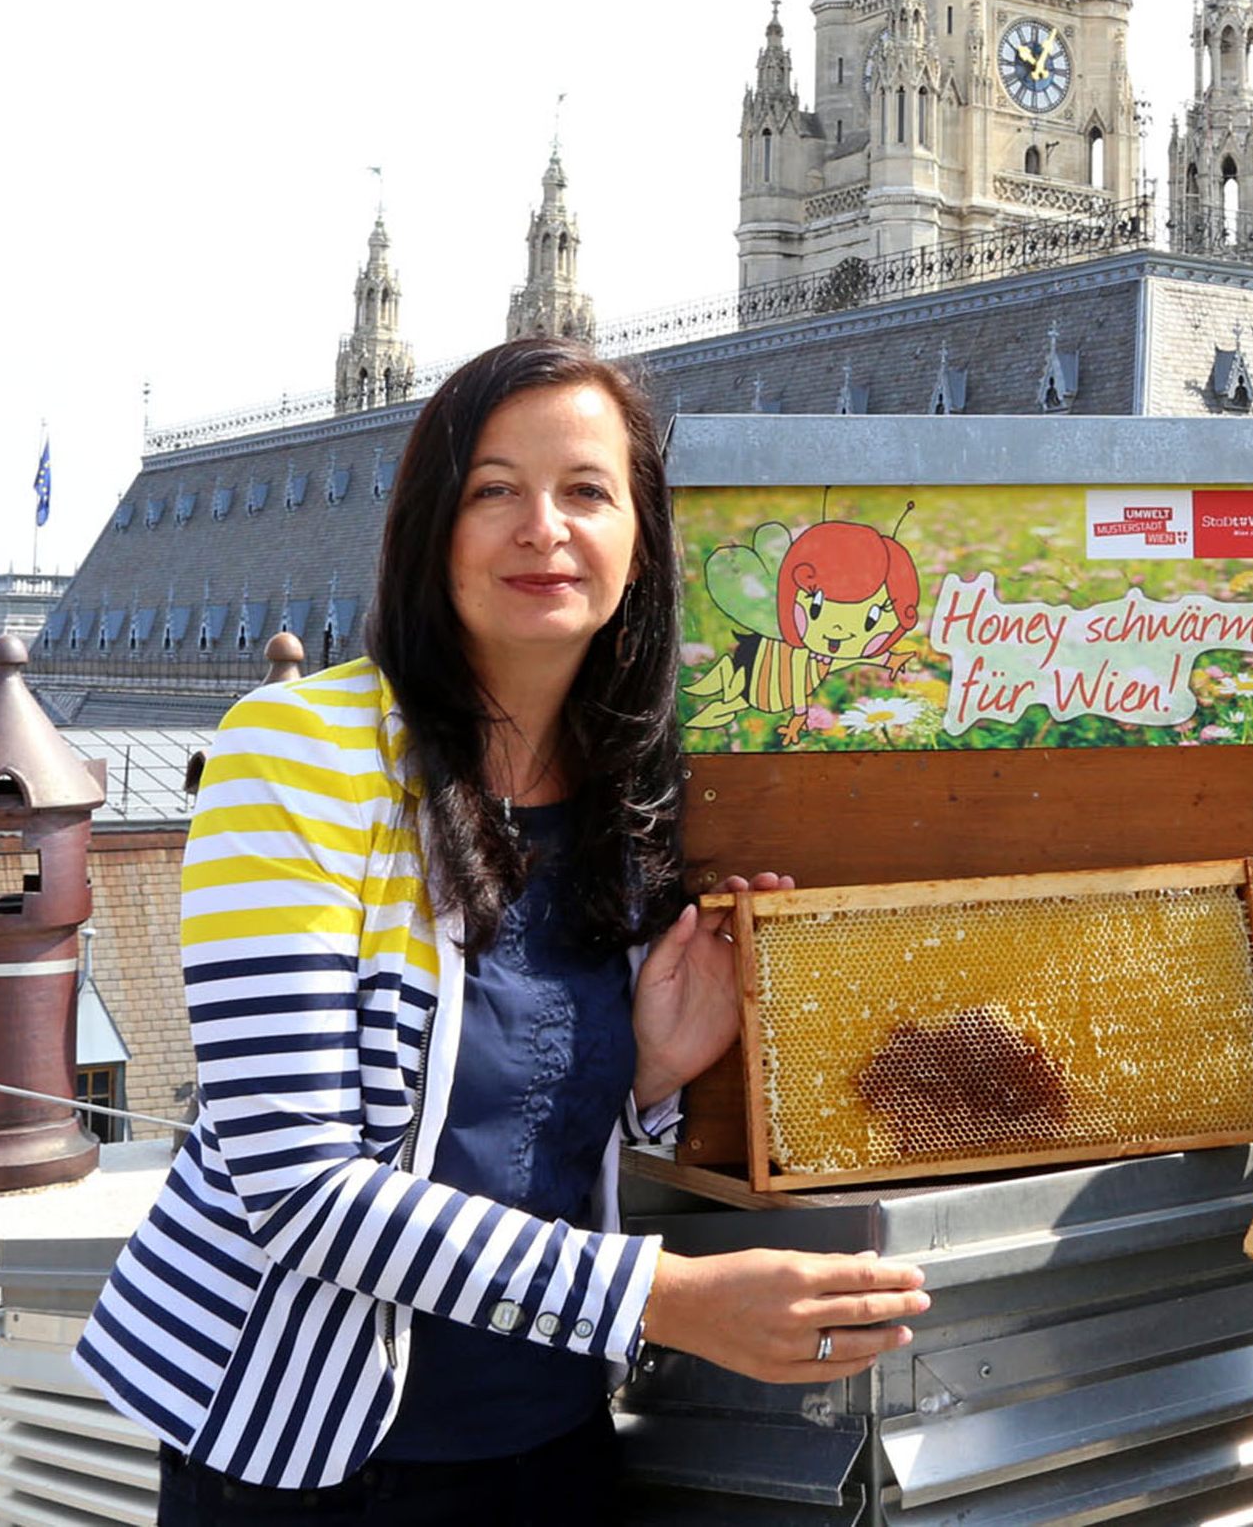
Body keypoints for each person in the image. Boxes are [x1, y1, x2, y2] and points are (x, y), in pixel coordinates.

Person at [78, 336, 930, 1520]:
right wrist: (667, 1296)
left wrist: (649, 1063)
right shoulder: (294, 751)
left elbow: (493, 1109)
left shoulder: (641, 786)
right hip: (304, 1454)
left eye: (586, 489)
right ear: (432, 530)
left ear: (641, 540)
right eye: (494, 490)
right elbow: (301, 1184)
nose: (544, 526)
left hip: (552, 1435)